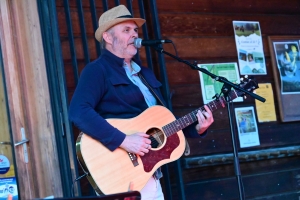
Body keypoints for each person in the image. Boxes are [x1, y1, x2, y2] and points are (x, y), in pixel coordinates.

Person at [68, 5, 214, 200]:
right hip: (120, 173)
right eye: (126, 30)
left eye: (135, 30)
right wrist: (125, 140)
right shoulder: (97, 71)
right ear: (108, 37)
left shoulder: (145, 73)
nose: (134, 35)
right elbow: (78, 111)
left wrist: (198, 128)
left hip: (148, 173)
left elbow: (160, 126)